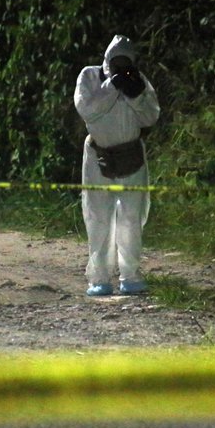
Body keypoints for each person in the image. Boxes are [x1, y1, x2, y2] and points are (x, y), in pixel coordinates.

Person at [74, 34, 160, 296]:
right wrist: (112, 86)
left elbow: (151, 117)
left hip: (131, 155)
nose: (121, 67)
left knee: (131, 217)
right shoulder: (90, 77)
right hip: (98, 156)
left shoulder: (139, 81)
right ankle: (99, 278)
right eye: (116, 63)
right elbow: (86, 109)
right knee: (98, 216)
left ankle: (130, 275)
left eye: (126, 63)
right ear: (108, 61)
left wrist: (134, 95)